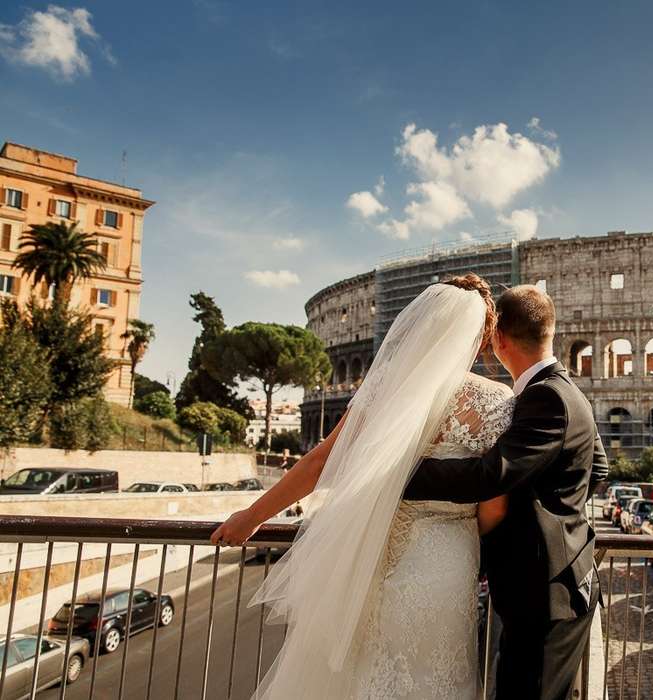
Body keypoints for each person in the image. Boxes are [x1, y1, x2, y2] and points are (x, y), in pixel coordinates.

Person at [210, 274, 517, 699]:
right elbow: (495, 508)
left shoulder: (385, 385)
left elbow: (320, 462)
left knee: (365, 667)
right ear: (482, 338)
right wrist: (463, 530)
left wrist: (251, 517)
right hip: (447, 556)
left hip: (373, 552)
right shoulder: (495, 401)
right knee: (436, 675)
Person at [404, 284, 609, 700]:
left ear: (498, 339)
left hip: (545, 592)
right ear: (548, 332)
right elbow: (599, 469)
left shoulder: (546, 397)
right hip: (558, 585)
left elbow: (491, 474)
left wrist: (401, 477)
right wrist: (555, 509)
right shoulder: (566, 390)